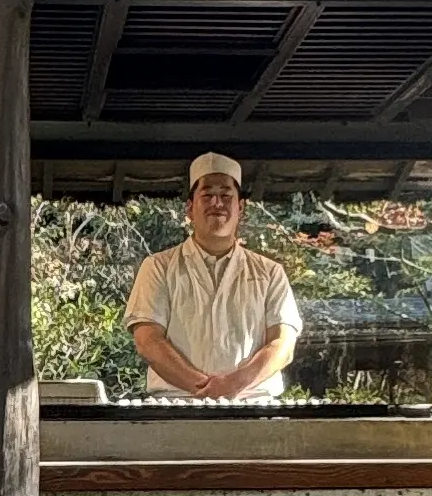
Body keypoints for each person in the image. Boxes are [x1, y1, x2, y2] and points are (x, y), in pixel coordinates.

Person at [125, 153, 302, 401]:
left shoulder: (270, 272)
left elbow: (282, 345)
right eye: (207, 195)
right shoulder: (158, 267)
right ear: (189, 208)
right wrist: (206, 389)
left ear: (241, 208)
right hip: (176, 405)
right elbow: (148, 340)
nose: (216, 203)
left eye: (226, 195)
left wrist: (234, 385)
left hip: (254, 406)